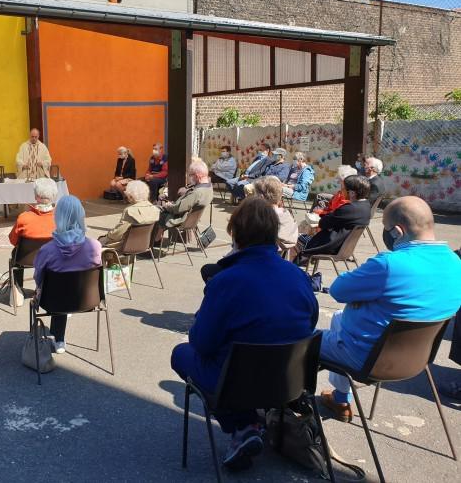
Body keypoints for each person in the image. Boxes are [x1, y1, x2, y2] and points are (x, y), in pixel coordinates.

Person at [171, 197, 318, 471]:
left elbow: (201, 344)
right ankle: (252, 421)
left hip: (237, 382)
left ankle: (243, 425)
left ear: (235, 233)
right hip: (290, 379)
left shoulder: (226, 281)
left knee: (181, 353)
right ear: (273, 233)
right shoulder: (297, 274)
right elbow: (311, 321)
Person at [319, 196, 461, 421]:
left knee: (302, 340)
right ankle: (339, 398)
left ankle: (287, 413)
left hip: (366, 357)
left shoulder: (387, 264)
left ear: (396, 231)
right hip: (416, 360)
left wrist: (364, 294)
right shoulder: (456, 263)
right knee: (338, 317)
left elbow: (338, 290)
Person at [34, 196, 102, 354]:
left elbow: (38, 278)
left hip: (53, 302)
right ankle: (59, 339)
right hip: (88, 300)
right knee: (66, 288)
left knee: (59, 290)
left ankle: (58, 339)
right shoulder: (95, 246)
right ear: (81, 215)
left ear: (57, 217)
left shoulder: (47, 250)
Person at [8, 178, 58, 307]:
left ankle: (17, 290)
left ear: (36, 196)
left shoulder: (24, 217)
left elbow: (13, 241)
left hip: (25, 259)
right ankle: (46, 287)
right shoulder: (60, 218)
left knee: (15, 256)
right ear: (54, 196)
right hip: (52, 259)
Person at [296, 175, 372, 259]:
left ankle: (293, 268)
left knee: (293, 239)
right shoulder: (366, 206)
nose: (341, 191)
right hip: (342, 247)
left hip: (327, 246)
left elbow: (323, 223)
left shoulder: (348, 209)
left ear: (352, 193)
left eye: (343, 189)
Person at [157, 161, 214, 236]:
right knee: (159, 208)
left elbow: (177, 209)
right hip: (192, 220)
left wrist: (168, 206)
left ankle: (154, 240)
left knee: (155, 212)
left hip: (180, 220)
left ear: (197, 176)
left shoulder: (196, 193)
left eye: (190, 175)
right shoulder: (209, 187)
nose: (189, 177)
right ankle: (157, 237)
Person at [99, 180, 160, 249]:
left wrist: (108, 235)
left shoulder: (130, 210)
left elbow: (118, 233)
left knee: (98, 243)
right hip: (145, 245)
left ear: (130, 195)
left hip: (126, 246)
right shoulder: (154, 209)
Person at [254, 176, 298, 251]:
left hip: (257, 258)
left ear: (260, 197)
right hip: (279, 258)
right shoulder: (287, 217)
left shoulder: (259, 219)